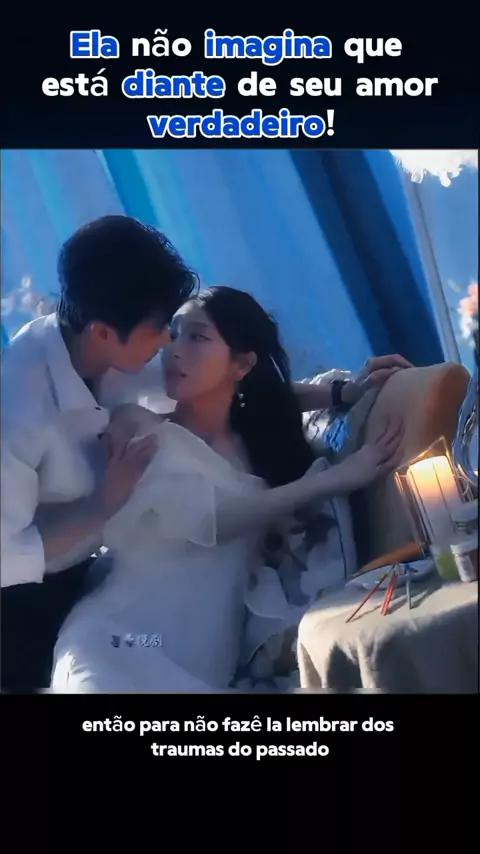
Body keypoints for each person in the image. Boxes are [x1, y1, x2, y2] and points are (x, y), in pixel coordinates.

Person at [1, 215, 410, 693]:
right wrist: (102, 504)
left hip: (162, 620)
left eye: (187, 333)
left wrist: (341, 392)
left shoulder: (117, 346)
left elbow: (232, 388)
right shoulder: (22, 413)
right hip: (37, 602)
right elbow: (7, 556)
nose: (168, 346)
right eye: (164, 329)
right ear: (104, 334)